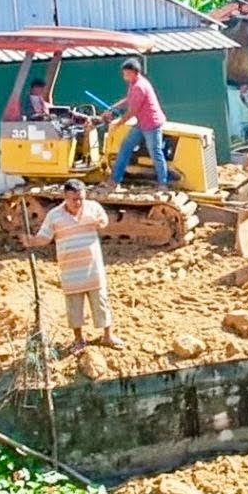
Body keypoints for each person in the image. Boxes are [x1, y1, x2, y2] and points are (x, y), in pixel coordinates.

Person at [19, 179, 125, 353]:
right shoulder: (54, 215)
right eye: (74, 199)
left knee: (101, 302)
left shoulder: (93, 207)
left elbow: (104, 222)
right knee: (74, 306)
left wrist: (100, 222)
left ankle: (107, 336)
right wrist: (30, 241)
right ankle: (79, 339)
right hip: (70, 269)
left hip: (93, 267)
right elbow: (44, 237)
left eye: (81, 198)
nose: (78, 203)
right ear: (65, 197)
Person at [103, 58, 168, 190]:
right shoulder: (135, 83)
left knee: (155, 153)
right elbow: (129, 99)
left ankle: (163, 184)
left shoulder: (139, 87)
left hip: (151, 124)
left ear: (134, 72)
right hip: (142, 123)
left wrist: (117, 124)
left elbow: (132, 111)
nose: (124, 76)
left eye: (126, 73)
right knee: (125, 148)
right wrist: (113, 107)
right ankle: (115, 180)